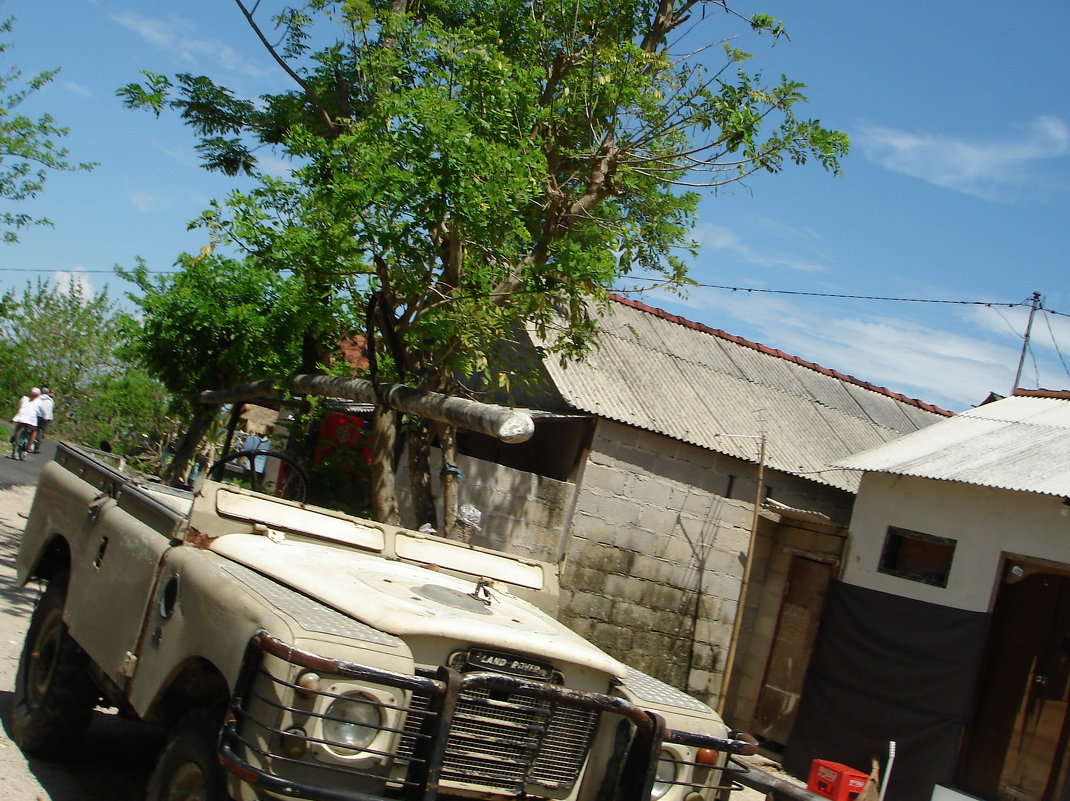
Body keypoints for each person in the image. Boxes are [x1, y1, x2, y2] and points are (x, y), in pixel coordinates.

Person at [11, 387, 41, 456]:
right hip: (31, 420)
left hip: (21, 416)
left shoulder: (24, 398)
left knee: (19, 425)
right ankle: (29, 446)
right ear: (38, 395)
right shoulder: (39, 402)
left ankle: (15, 436)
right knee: (34, 431)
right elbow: (43, 413)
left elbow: (19, 406)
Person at [32, 387, 54, 453]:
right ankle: (37, 446)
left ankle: (30, 442)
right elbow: (52, 410)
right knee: (41, 430)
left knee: (34, 429)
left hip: (38, 415)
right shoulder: (51, 401)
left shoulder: (38, 398)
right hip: (47, 418)